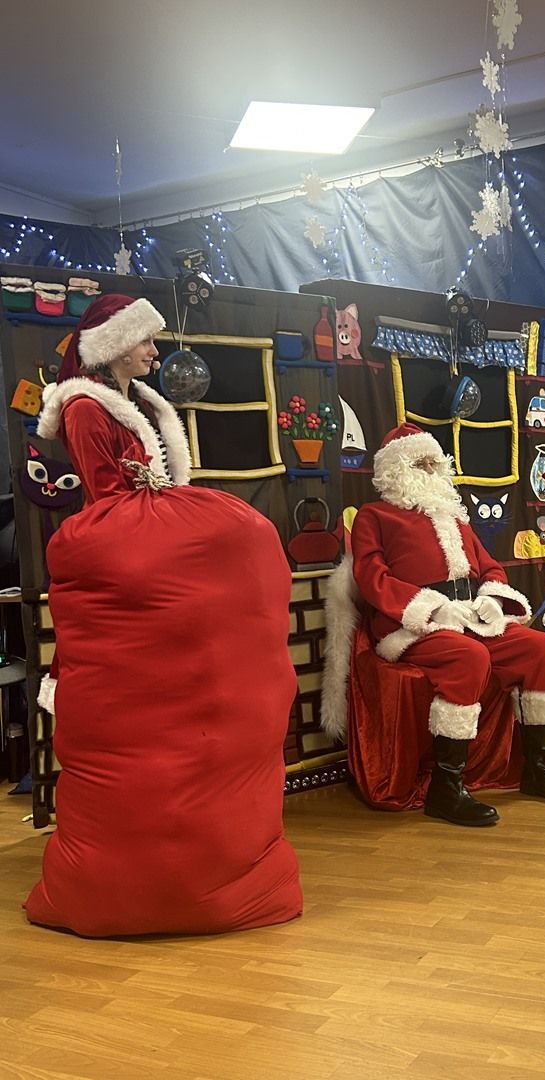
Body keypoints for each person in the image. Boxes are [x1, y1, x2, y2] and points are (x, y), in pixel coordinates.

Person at [24, 293, 302, 936]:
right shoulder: (87, 407)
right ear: (115, 345)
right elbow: (109, 497)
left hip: (155, 542)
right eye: (146, 341)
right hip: (127, 550)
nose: (155, 351)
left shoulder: (143, 403)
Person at [349, 422, 545, 827]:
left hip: (469, 616)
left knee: (540, 648)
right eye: (419, 463)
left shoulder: (456, 519)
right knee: (468, 657)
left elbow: (489, 567)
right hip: (413, 625)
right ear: (394, 470)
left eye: (433, 463)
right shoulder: (375, 517)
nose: (429, 470)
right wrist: (432, 609)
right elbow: (372, 578)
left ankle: (537, 769)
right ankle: (446, 788)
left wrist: (492, 598)